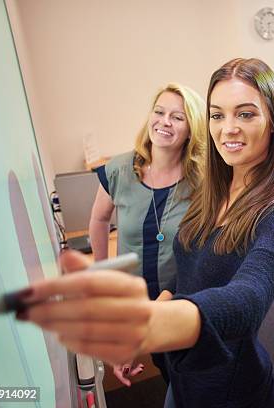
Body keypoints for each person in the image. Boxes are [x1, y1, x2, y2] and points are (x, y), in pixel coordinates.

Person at [21, 58, 274, 408]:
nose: (228, 128)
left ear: (273, 122)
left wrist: (144, 328)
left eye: (245, 114)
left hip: (229, 387)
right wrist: (155, 318)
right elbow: (186, 277)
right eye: (217, 115)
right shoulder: (212, 191)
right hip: (182, 370)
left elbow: (248, 299)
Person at [88, 83, 205, 386]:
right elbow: (99, 220)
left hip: (180, 297)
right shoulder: (119, 169)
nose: (165, 121)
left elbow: (201, 251)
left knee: (188, 369)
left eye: (177, 117)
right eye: (159, 112)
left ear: (191, 129)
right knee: (164, 366)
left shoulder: (202, 181)